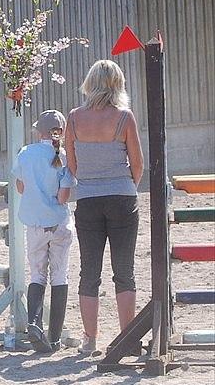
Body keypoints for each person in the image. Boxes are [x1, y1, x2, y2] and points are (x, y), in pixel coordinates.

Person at [64, 60, 144, 355]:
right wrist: (125, 186)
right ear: (117, 84)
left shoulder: (74, 118)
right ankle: (128, 339)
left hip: (87, 199)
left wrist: (89, 180)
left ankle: (90, 340)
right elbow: (138, 164)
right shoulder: (124, 117)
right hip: (121, 197)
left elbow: (72, 163)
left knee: (89, 271)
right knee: (124, 271)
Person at [13, 110, 76, 353]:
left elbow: (20, 187)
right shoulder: (64, 157)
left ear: (39, 132)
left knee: (37, 275)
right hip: (59, 223)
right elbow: (63, 197)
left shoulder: (26, 154)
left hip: (34, 224)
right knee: (60, 275)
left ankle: (33, 322)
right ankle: (56, 337)